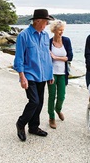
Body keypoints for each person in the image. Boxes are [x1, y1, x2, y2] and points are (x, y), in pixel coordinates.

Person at [13, 9, 54, 141]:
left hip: (43, 75)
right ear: (37, 21)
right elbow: (19, 58)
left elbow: (47, 56)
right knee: (34, 101)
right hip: (29, 74)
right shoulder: (23, 35)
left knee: (40, 102)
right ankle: (21, 123)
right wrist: (21, 76)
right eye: (45, 21)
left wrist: (50, 74)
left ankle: (34, 127)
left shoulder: (45, 35)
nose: (47, 23)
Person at [47, 19, 73, 129]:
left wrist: (56, 57)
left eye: (62, 30)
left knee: (61, 96)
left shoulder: (66, 41)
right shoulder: (49, 42)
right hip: (52, 74)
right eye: (59, 30)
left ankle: (58, 109)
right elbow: (46, 60)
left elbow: (70, 57)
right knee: (52, 96)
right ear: (54, 30)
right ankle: (51, 117)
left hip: (63, 74)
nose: (61, 32)